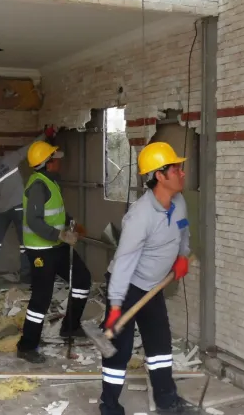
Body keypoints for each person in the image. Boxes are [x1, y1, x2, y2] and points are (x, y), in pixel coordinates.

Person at [99, 142, 194, 415]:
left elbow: (183, 231)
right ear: (160, 176)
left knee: (160, 343)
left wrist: (182, 255)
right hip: (127, 285)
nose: (182, 173)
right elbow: (124, 263)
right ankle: (109, 406)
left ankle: (167, 400)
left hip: (153, 287)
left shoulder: (179, 202)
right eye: (176, 169)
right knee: (119, 349)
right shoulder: (139, 216)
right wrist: (116, 305)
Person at [15, 140, 92, 364]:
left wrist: (71, 224)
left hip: (56, 246)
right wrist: (60, 235)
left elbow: (55, 212)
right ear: (47, 163)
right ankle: (27, 346)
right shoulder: (38, 186)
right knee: (42, 297)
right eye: (54, 158)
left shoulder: (50, 181)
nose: (59, 161)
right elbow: (34, 220)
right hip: (41, 250)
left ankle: (70, 327)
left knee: (81, 279)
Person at [0, 129, 53, 284]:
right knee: (24, 243)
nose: (1, 148)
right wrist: (46, 134)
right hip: (19, 207)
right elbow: (30, 147)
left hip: (1, 211)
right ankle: (25, 275)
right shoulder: (10, 159)